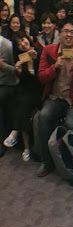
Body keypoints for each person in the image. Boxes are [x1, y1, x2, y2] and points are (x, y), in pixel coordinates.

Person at [35, 19, 73, 177]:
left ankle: (70, 162)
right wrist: (55, 67)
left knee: (70, 123)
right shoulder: (48, 51)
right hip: (56, 97)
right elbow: (41, 78)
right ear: (59, 33)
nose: (69, 35)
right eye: (66, 31)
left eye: (72, 32)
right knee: (44, 116)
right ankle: (47, 162)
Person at [2, 32, 40, 162]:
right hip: (25, 92)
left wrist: (30, 65)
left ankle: (15, 132)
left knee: (23, 102)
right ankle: (26, 147)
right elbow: (24, 82)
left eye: (23, 40)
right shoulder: (21, 57)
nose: (23, 44)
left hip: (38, 92)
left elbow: (37, 82)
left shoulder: (39, 51)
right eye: (19, 44)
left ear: (28, 38)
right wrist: (18, 71)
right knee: (18, 102)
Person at [0, 33, 17, 158]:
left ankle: (1, 144)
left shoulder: (7, 45)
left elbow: (16, 70)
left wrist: (2, 66)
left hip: (8, 83)